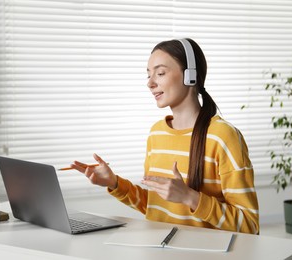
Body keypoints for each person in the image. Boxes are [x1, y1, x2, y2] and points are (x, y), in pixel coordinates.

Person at [70, 38, 259, 234]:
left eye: (160, 73)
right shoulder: (156, 133)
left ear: (190, 77)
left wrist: (190, 197)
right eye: (148, 75)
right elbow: (155, 207)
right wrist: (114, 183)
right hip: (159, 248)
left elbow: (249, 225)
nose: (150, 83)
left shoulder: (223, 136)